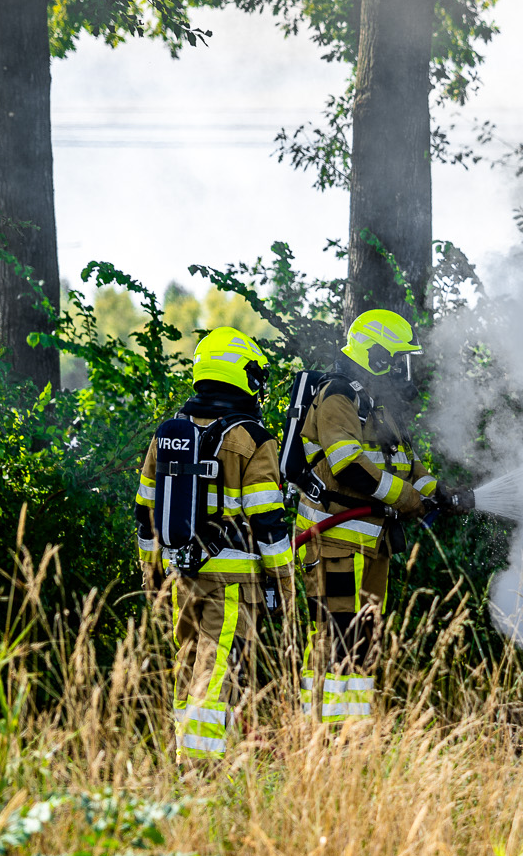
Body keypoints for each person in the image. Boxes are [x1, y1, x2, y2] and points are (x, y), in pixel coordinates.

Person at [135, 327, 297, 757]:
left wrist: (151, 573)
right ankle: (202, 773)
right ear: (241, 375)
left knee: (187, 665)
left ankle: (183, 757)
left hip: (179, 572)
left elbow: (144, 512)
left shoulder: (168, 433)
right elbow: (268, 522)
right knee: (216, 671)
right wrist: (286, 585)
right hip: (233, 582)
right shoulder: (253, 440)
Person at [290, 308, 442, 722]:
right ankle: (319, 732)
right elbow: (348, 465)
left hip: (371, 545)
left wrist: (438, 493)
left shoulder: (375, 404)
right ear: (374, 354)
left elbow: (407, 463)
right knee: (334, 635)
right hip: (335, 541)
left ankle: (352, 733)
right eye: (396, 358)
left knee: (364, 639)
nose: (400, 369)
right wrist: (410, 500)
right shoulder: (338, 396)